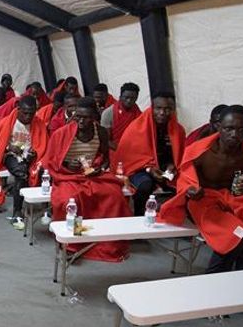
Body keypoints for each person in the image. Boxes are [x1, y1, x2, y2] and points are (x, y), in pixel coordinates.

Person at [159, 105, 243, 272]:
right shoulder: (200, 152)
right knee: (237, 236)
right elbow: (185, 181)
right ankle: (213, 280)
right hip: (205, 202)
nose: (235, 135)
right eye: (229, 129)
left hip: (237, 201)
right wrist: (191, 190)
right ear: (219, 127)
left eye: (241, 129)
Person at [42, 99, 131, 261]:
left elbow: (104, 158)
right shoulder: (62, 133)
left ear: (94, 117)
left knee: (114, 196)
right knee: (72, 200)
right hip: (67, 175)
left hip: (91, 174)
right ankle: (75, 240)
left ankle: (105, 238)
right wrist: (67, 163)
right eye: (78, 117)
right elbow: (51, 160)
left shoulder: (101, 132)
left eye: (86, 117)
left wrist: (100, 168)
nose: (81, 121)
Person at [114, 91, 186, 216]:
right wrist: (149, 169)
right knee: (145, 185)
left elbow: (179, 156)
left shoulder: (178, 130)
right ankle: (139, 217)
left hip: (165, 170)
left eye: (167, 109)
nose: (162, 113)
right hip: (140, 169)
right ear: (152, 108)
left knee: (184, 185)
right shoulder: (137, 127)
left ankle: (173, 218)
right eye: (158, 108)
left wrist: (171, 166)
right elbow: (130, 158)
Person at [0, 95, 49, 228]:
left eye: (31, 113)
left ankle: (45, 209)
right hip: (10, 155)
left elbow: (43, 145)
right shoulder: (6, 123)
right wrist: (9, 147)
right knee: (21, 173)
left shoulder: (39, 123)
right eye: (25, 113)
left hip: (30, 157)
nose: (28, 117)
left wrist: (34, 153)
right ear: (18, 109)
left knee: (44, 169)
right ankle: (17, 211)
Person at [101, 82, 141, 150]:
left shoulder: (138, 113)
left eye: (132, 98)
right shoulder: (108, 113)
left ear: (136, 98)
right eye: (126, 97)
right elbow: (106, 140)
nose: (129, 101)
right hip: (115, 149)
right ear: (120, 97)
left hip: (135, 147)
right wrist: (121, 150)